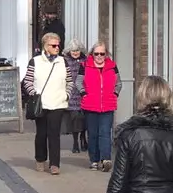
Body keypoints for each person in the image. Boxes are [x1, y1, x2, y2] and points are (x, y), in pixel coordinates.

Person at [22, 33, 70, 175]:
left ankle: (55, 164)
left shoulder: (63, 61)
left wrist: (66, 94)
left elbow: (70, 81)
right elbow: (27, 81)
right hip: (41, 104)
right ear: (45, 46)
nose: (57, 48)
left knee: (54, 134)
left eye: (58, 45)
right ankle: (40, 159)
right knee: (41, 134)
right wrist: (34, 94)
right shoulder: (35, 61)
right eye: (53, 45)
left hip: (58, 102)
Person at [80, 44, 121, 171]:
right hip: (90, 105)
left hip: (108, 105)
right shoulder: (85, 66)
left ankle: (105, 159)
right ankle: (94, 160)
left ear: (106, 54)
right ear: (92, 54)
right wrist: (84, 93)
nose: (99, 56)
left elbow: (118, 83)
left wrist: (115, 94)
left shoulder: (112, 66)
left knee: (105, 133)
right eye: (96, 53)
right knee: (93, 134)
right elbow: (78, 81)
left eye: (102, 54)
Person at [63, 41, 88, 155]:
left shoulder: (85, 61)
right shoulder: (65, 61)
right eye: (73, 50)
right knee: (74, 119)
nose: (75, 53)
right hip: (72, 93)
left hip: (84, 92)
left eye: (77, 50)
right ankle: (75, 143)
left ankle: (83, 138)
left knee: (84, 118)